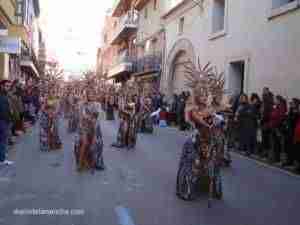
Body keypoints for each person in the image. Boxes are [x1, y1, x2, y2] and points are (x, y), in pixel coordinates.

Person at [176, 62, 224, 204]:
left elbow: (216, 117)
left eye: (205, 92)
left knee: (215, 161)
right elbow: (195, 118)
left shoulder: (209, 107)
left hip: (210, 139)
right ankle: (187, 187)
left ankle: (215, 186)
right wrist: (208, 120)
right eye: (200, 92)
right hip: (197, 139)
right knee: (194, 163)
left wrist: (217, 120)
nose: (203, 95)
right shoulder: (192, 107)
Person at [74, 90, 104, 172]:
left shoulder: (98, 104)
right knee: (84, 142)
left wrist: (94, 122)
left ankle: (93, 163)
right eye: (89, 94)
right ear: (87, 96)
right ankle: (80, 164)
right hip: (84, 127)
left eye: (93, 94)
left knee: (96, 143)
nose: (91, 96)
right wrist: (87, 120)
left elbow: (99, 117)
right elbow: (82, 116)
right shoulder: (83, 104)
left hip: (95, 127)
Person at [0, 80, 14, 165]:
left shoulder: (5, 95)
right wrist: (8, 119)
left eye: (9, 86)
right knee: (3, 140)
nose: (8, 88)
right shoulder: (2, 96)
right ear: (1, 86)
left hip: (5, 120)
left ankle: (2, 156)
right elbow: (3, 110)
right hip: (3, 121)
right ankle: (2, 159)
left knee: (2, 140)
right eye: (6, 86)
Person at [283, 98, 300, 167]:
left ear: (296, 104)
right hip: (288, 131)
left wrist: (290, 115)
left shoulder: (297, 112)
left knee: (294, 148)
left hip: (294, 132)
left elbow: (293, 121)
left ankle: (293, 162)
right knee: (288, 147)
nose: (291, 104)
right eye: (291, 103)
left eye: (292, 103)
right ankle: (289, 161)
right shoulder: (290, 111)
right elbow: (287, 119)